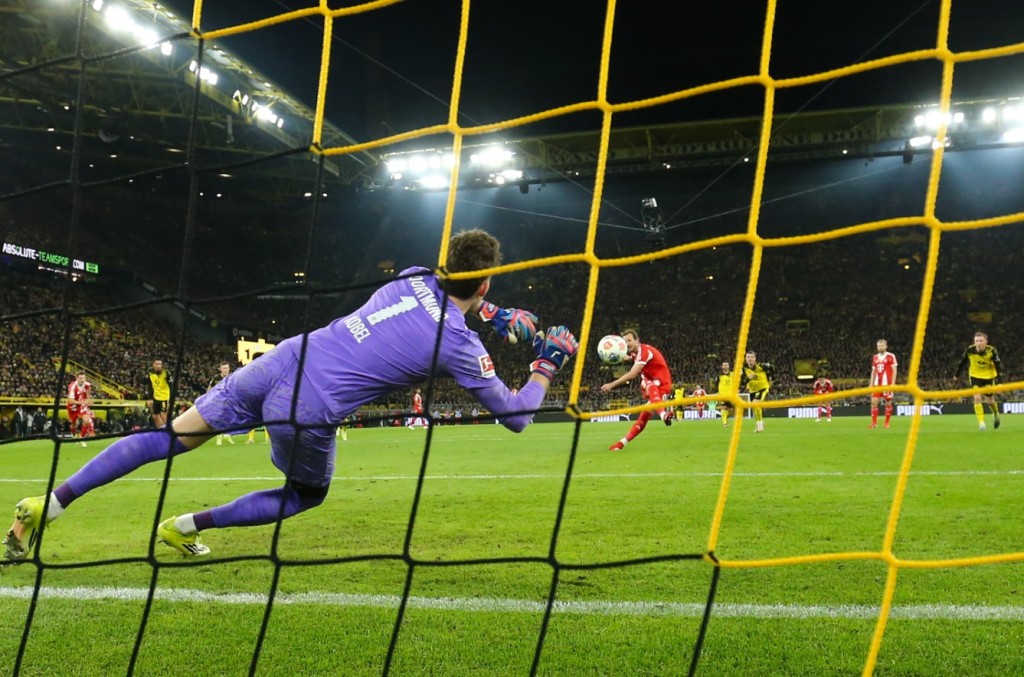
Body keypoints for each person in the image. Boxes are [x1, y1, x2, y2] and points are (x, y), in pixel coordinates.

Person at [4, 229, 578, 561]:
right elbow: (517, 415)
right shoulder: (458, 344)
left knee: (169, 438)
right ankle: (184, 527)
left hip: (281, 359)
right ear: (486, 281)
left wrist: (495, 312)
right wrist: (546, 362)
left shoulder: (412, 274)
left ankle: (48, 503)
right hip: (309, 405)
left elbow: (448, 286)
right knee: (305, 494)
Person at [600, 329, 673, 451]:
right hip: (654, 388)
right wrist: (623, 356)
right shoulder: (636, 352)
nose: (627, 344)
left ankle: (663, 415)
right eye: (624, 341)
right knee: (643, 417)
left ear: (637, 340)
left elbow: (633, 374)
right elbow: (631, 356)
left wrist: (611, 384)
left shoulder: (644, 352)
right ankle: (621, 444)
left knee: (646, 382)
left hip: (661, 384)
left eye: (629, 340)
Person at [954, 331, 1002, 431]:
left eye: (980, 341)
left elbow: (998, 366)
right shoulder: (970, 350)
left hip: (988, 377)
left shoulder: (991, 351)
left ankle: (996, 414)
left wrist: (1000, 383)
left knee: (989, 401)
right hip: (975, 376)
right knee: (977, 398)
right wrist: (957, 375)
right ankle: (981, 423)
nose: (978, 343)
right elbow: (963, 362)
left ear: (986, 342)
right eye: (976, 341)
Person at [739, 351, 774, 433]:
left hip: (763, 388)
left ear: (755, 358)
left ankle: (760, 424)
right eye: (748, 357)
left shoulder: (761, 366)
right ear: (745, 359)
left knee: (756, 403)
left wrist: (770, 377)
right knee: (755, 407)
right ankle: (759, 422)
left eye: (752, 357)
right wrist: (748, 378)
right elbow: (741, 383)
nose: (750, 359)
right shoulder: (743, 369)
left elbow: (773, 368)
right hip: (752, 391)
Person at [868, 338, 897, 429]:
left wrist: (893, 383)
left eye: (882, 346)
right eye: (879, 346)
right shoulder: (875, 357)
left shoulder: (891, 356)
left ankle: (886, 423)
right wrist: (871, 383)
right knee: (873, 402)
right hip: (877, 384)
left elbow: (894, 370)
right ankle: (874, 423)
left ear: (886, 346)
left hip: (887, 384)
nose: (880, 347)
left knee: (888, 403)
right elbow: (873, 371)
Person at [208, 362, 235, 446]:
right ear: (220, 369)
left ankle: (227, 435)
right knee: (219, 419)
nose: (226, 370)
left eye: (227, 368)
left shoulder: (232, 377)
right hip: (218, 401)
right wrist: (208, 397)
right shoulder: (216, 378)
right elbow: (210, 388)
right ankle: (219, 437)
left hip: (229, 401)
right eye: (224, 368)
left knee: (229, 418)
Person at [66, 372, 95, 448]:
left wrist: (88, 401)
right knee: (74, 424)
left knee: (86, 420)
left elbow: (88, 395)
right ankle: (74, 435)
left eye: (84, 378)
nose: (82, 380)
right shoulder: (72, 387)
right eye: (80, 378)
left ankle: (82, 438)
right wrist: (82, 402)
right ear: (77, 378)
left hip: (82, 405)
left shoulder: (87, 385)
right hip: (73, 407)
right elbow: (70, 401)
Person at [144, 359, 172, 428]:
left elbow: (171, 385)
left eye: (160, 364)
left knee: (163, 415)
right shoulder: (150, 374)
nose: (159, 366)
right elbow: (149, 386)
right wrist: (150, 398)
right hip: (156, 397)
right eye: (157, 364)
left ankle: (165, 430)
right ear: (153, 365)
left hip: (165, 397)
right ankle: (161, 430)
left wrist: (171, 400)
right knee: (155, 416)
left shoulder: (166, 373)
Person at [710, 361, 735, 428]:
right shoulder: (719, 375)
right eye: (724, 365)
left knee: (731, 410)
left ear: (728, 366)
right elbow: (715, 384)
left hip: (730, 395)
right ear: (722, 366)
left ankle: (725, 419)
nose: (725, 366)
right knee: (724, 408)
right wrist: (716, 392)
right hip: (722, 395)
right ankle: (725, 423)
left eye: (726, 365)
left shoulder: (733, 374)